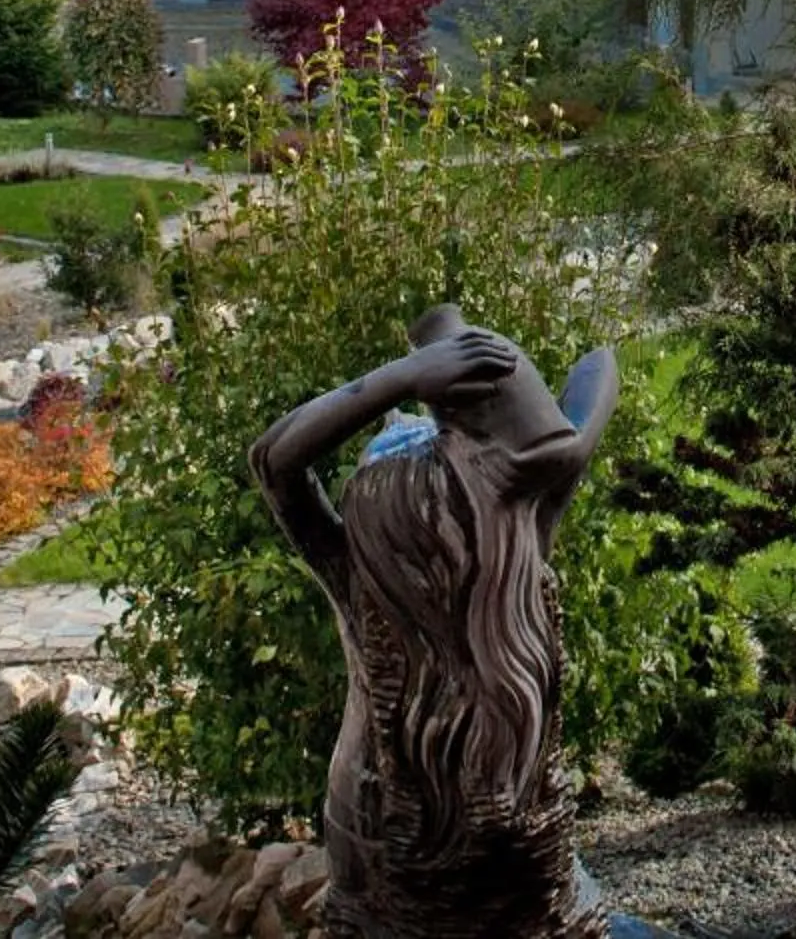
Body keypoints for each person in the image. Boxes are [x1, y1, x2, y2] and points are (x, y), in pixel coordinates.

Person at [250, 305, 619, 939]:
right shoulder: (515, 524)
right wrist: (570, 441)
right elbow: (600, 366)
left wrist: (401, 378)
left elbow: (274, 461)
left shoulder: (357, 569)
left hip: (381, 827)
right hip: (446, 844)